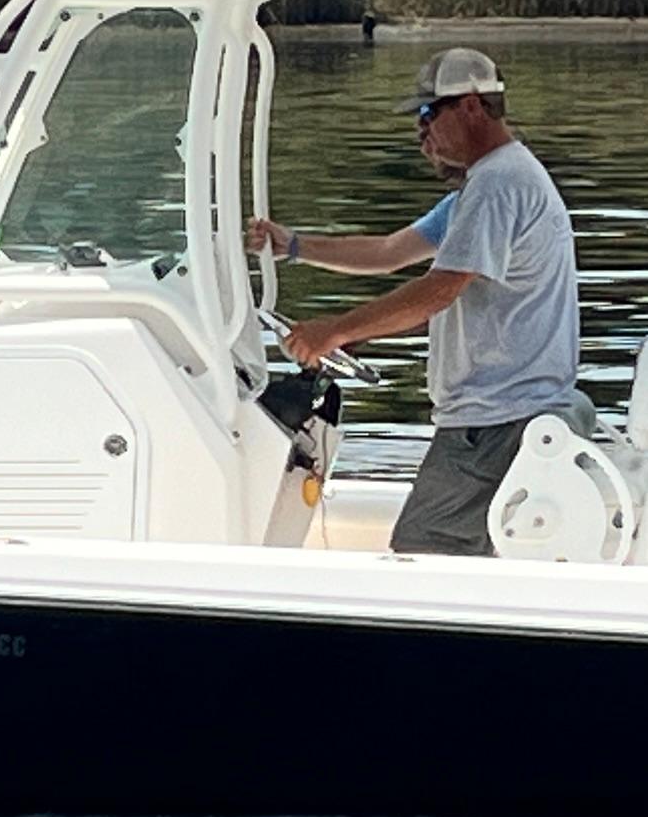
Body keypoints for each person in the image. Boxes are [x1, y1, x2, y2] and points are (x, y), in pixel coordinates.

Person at [249, 46, 584, 557]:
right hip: (505, 413)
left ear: (471, 107)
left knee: (421, 550)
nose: (420, 133)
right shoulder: (481, 188)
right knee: (455, 553)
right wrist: (293, 245)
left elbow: (439, 290)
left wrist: (335, 330)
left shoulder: (498, 184)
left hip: (496, 419)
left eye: (428, 115)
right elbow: (390, 252)